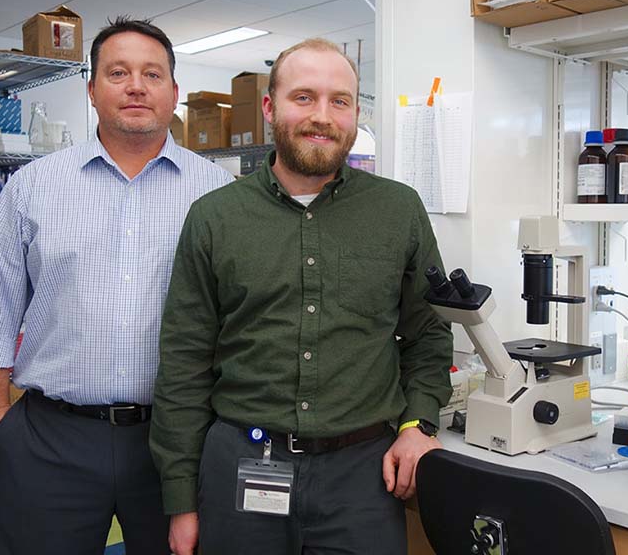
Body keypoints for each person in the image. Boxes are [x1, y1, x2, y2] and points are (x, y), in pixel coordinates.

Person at [150, 37, 454, 555]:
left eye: (340, 101)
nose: (322, 116)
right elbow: (184, 364)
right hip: (242, 466)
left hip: (362, 478)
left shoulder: (398, 210)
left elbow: (428, 333)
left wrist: (417, 424)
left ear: (355, 114)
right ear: (270, 108)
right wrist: (181, 500)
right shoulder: (214, 217)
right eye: (304, 97)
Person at [0, 16, 234, 555]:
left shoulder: (218, 194)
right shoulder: (32, 188)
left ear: (174, 91)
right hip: (51, 441)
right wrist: (1, 428)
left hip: (179, 442)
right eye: (118, 72)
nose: (136, 86)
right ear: (91, 89)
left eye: (152, 74)